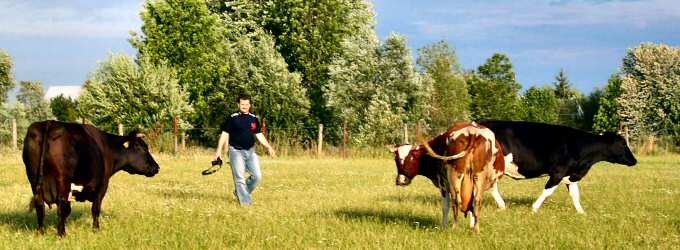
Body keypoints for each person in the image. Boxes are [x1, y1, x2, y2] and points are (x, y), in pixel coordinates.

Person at [214, 93, 275, 206]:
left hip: (251, 152)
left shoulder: (254, 119)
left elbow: (259, 134)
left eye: (247, 104)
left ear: (250, 105)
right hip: (236, 151)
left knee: (257, 177)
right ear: (238, 105)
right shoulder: (233, 118)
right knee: (240, 179)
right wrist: (218, 151)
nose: (245, 106)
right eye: (242, 104)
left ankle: (240, 192)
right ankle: (246, 204)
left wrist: (268, 147)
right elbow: (224, 134)